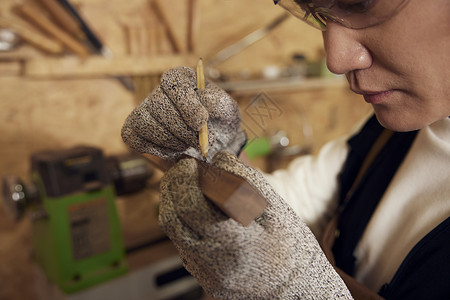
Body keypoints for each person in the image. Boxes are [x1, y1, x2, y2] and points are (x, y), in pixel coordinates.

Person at [121, 0, 450, 299]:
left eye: (359, 6)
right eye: (321, 17)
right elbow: (278, 208)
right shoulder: (389, 135)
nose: (335, 61)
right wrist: (215, 155)